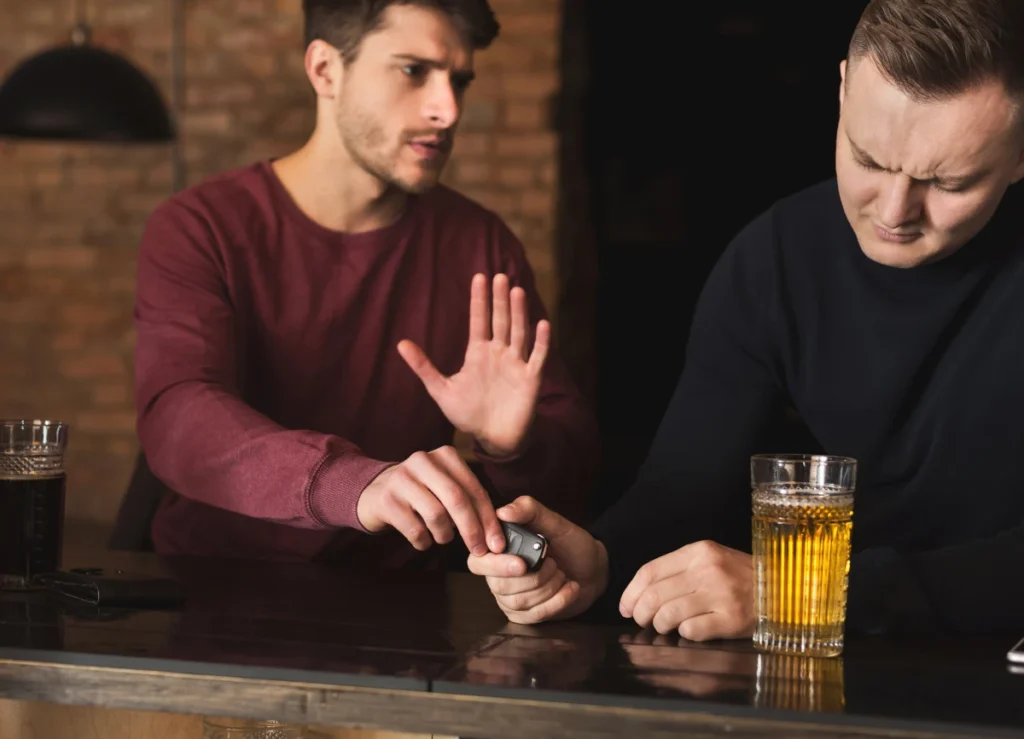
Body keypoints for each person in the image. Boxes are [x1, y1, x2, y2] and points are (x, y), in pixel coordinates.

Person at [470, 0, 1024, 636]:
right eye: (868, 160)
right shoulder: (776, 258)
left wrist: (798, 593)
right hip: (822, 674)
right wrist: (598, 561)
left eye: (948, 184)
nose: (895, 211)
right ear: (842, 90)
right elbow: (684, 491)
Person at [132, 0, 599, 565]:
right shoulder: (201, 225)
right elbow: (179, 413)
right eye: (413, 71)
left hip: (402, 609)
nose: (447, 110)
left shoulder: (480, 244)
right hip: (213, 589)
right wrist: (354, 484)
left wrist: (511, 448)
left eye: (459, 81)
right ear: (325, 70)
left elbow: (574, 480)